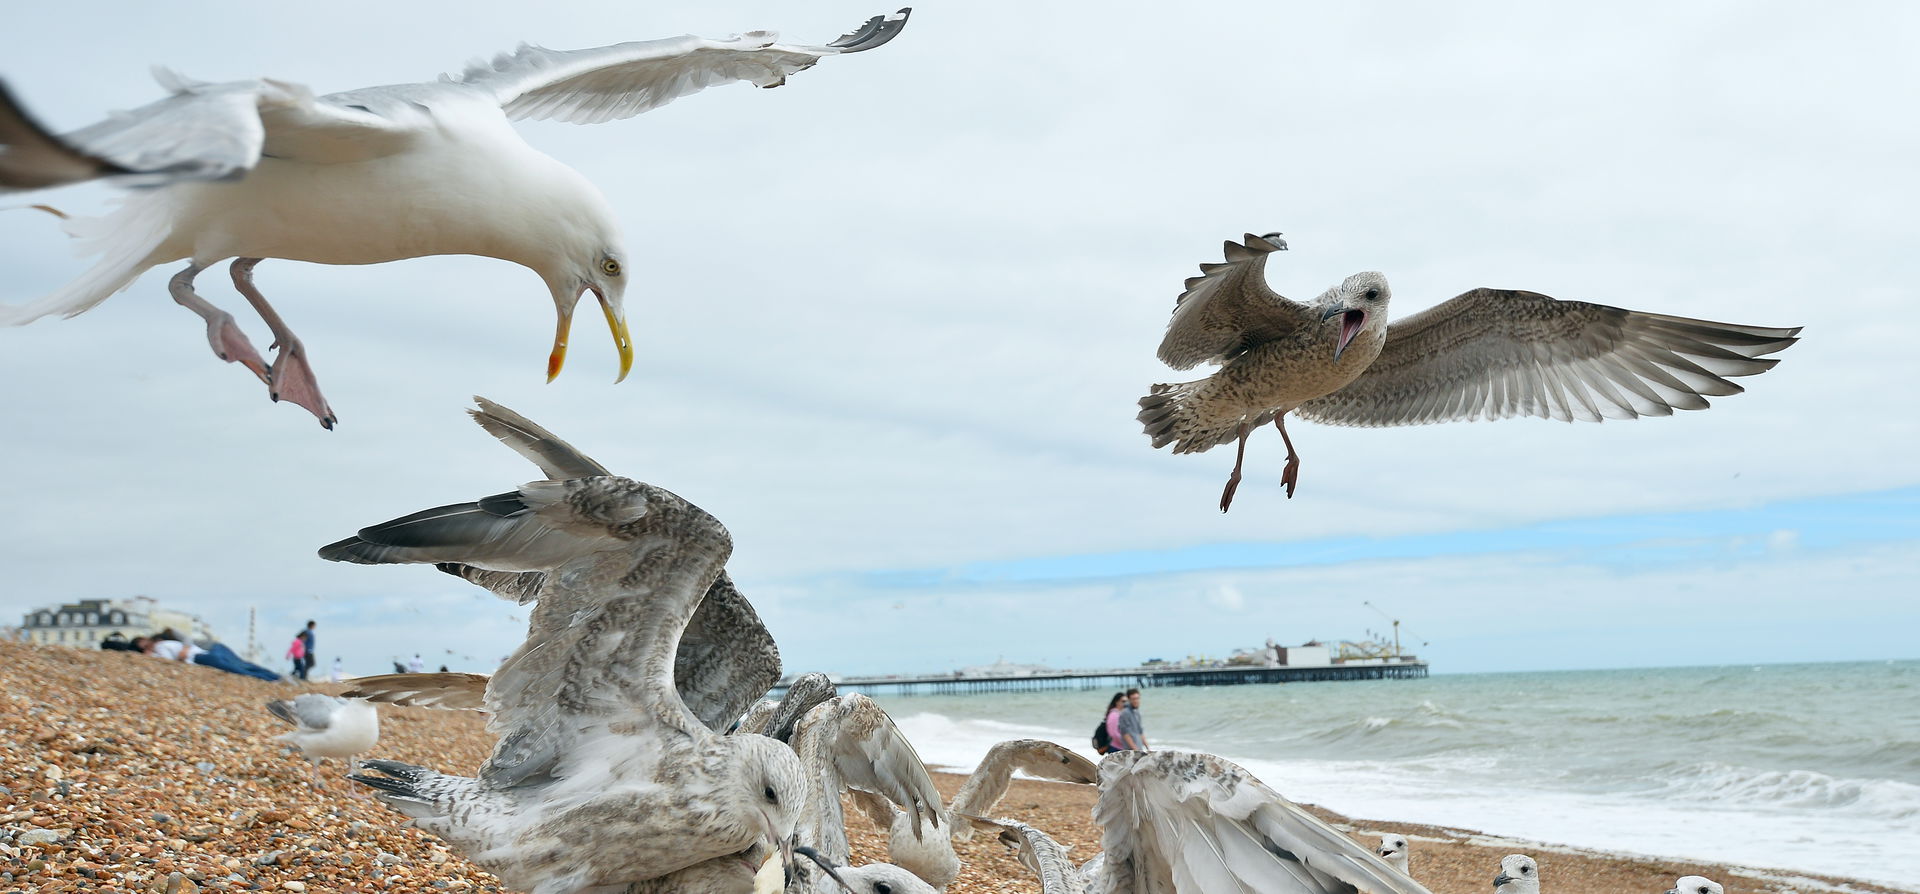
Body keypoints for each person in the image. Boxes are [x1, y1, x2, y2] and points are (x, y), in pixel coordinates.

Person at [142, 630, 281, 682]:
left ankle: (272, 678)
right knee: (242, 665)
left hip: (207, 652)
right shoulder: (170, 643)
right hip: (208, 651)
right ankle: (275, 677)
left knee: (239, 668)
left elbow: (168, 659)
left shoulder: (164, 642)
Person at [1117, 688, 1148, 752]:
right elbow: (1125, 734)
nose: (1136, 701)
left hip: (1139, 749)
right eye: (1133, 699)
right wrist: (1136, 750)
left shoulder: (1136, 712)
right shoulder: (1125, 713)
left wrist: (1148, 748)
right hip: (1130, 752)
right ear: (1129, 700)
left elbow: (1140, 732)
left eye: (1137, 698)